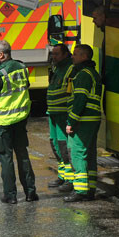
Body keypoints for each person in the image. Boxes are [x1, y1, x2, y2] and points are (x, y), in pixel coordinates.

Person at [0, 40, 38, 204]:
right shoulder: (22, 68)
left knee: (6, 158)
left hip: (3, 123)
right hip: (21, 119)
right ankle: (30, 193)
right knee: (22, 155)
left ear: (1, 55)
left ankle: (10, 195)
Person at [64, 44, 102, 202]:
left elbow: (79, 101)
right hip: (92, 119)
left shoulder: (83, 75)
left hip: (83, 120)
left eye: (76, 54)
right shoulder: (92, 73)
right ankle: (90, 188)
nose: (72, 56)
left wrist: (71, 121)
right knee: (90, 154)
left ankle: (80, 190)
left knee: (78, 153)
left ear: (84, 57)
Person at [46, 44, 75, 192]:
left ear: (65, 54)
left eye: (57, 54)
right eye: (53, 54)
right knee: (55, 144)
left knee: (64, 146)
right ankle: (62, 175)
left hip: (63, 113)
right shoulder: (57, 67)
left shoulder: (70, 69)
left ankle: (70, 179)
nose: (54, 57)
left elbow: (70, 93)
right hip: (53, 112)